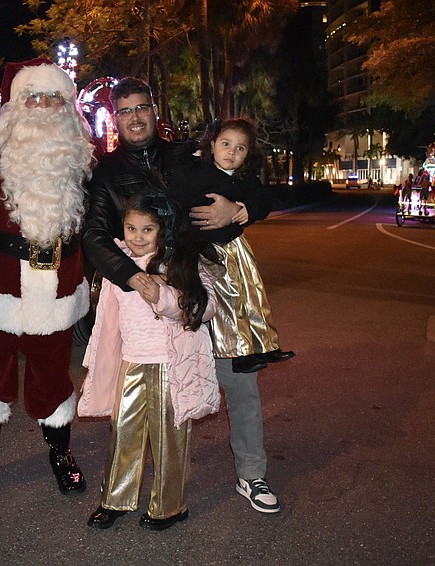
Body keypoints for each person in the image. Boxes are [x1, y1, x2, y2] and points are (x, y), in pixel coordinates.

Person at [83, 76, 282, 514]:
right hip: (149, 296)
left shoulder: (186, 153)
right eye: (125, 110)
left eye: (142, 107)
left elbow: (254, 184)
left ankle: (252, 475)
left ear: (154, 110)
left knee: (239, 379)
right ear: (116, 118)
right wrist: (131, 276)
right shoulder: (107, 173)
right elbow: (94, 236)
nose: (135, 117)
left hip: (211, 278)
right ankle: (128, 491)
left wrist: (242, 209)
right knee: (142, 396)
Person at [0, 59, 94, 498]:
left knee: (53, 376)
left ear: (68, 106)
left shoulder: (81, 151)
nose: (43, 106)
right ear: (14, 104)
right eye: (32, 97)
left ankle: (60, 453)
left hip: (60, 289)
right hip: (0, 289)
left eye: (54, 98)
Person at [79, 193, 220, 531]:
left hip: (170, 364)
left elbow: (208, 307)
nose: (137, 237)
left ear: (163, 230)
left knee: (169, 438)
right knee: (123, 433)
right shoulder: (118, 262)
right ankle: (115, 499)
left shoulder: (181, 263)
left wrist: (164, 296)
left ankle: (170, 507)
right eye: (131, 228)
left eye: (147, 229)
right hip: (131, 359)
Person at [172, 117, 294, 374]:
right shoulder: (199, 173)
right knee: (229, 300)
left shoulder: (243, 177)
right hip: (210, 249)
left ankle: (264, 343)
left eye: (240, 148)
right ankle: (238, 352)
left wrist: (243, 209)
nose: (231, 152)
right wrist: (191, 149)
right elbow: (179, 187)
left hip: (237, 247)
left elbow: (263, 199)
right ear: (212, 144)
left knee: (254, 293)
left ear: (248, 154)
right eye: (225, 144)